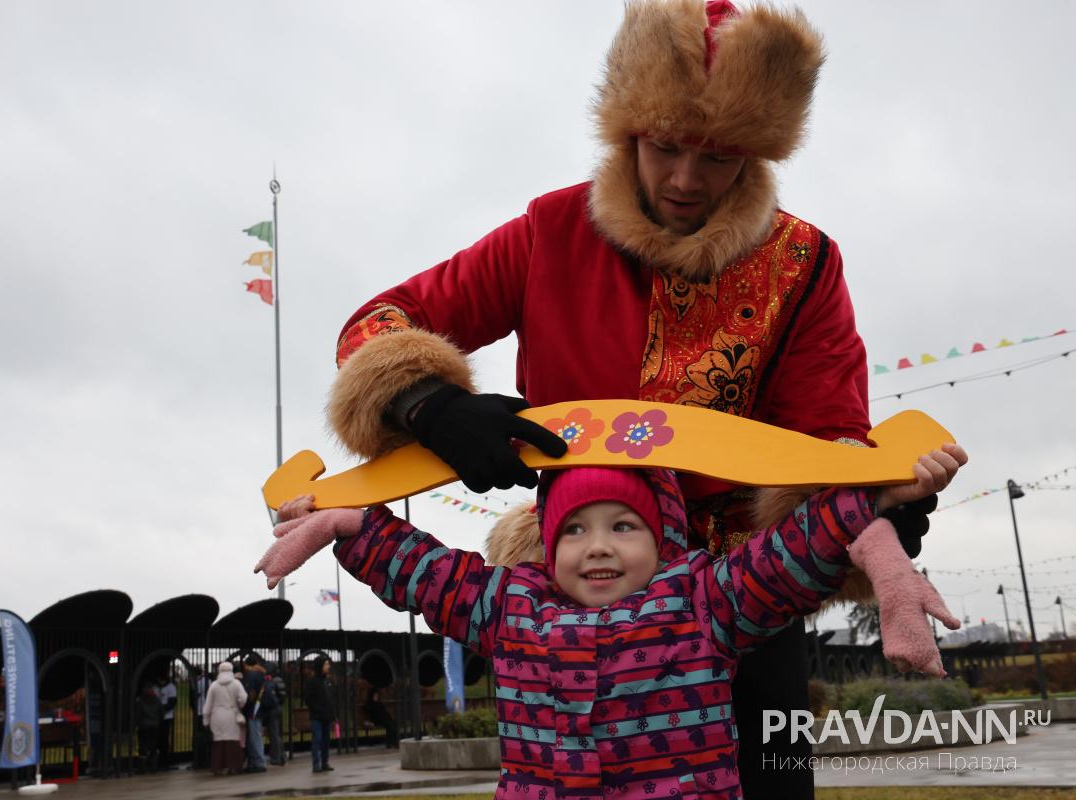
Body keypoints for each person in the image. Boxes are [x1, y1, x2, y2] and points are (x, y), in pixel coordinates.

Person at [322, 4, 919, 795]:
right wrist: (426, 401)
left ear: (758, 152)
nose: (684, 179)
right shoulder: (550, 231)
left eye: (717, 157)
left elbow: (830, 431)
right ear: (628, 131)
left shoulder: (804, 263)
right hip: (573, 593)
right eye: (665, 146)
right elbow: (379, 322)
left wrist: (866, 509)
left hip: (742, 600)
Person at [258, 445, 965, 799]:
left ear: (662, 541)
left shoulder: (703, 603)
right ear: (549, 542)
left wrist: (871, 505)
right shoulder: (510, 608)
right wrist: (349, 523)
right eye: (576, 530)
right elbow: (423, 570)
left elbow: (786, 555)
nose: (597, 546)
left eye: (623, 526)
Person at [201, 662, 246, 776]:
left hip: (217, 716)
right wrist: (239, 705)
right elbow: (243, 698)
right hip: (232, 715)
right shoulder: (237, 683)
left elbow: (208, 704)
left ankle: (218, 767)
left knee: (219, 742)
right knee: (233, 741)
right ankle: (234, 767)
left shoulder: (214, 685)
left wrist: (206, 719)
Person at [303, 657, 336, 774]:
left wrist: (332, 714)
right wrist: (318, 710)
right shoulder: (312, 682)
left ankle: (325, 762)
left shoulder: (326, 681)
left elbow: (330, 699)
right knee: (317, 740)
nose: (329, 666)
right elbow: (308, 699)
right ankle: (316, 764)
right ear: (320, 666)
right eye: (326, 664)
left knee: (326, 741)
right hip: (317, 717)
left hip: (326, 716)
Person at [241, 655, 267, 773]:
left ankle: (259, 762)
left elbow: (251, 693)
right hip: (259, 708)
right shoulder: (261, 674)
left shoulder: (251, 675)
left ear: (247, 665)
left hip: (252, 710)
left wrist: (246, 704)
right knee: (256, 735)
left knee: (254, 737)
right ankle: (256, 761)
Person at [260, 664, 287, 766]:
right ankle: (282, 755)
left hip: (272, 710)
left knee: (274, 734)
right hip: (279, 708)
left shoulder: (270, 681)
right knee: (278, 734)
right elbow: (283, 696)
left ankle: (276, 758)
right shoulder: (279, 680)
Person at [135, 684, 163, 773]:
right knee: (153, 747)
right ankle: (153, 768)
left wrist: (136, 724)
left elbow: (138, 715)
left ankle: (141, 769)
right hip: (155, 726)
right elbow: (161, 713)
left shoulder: (141, 701)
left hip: (143, 727)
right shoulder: (158, 700)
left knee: (143, 747)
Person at [154, 672, 177, 769]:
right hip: (157, 717)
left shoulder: (171, 688)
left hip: (167, 717)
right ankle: (158, 760)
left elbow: (172, 703)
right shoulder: (156, 687)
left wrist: (161, 710)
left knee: (164, 739)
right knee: (158, 739)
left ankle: (164, 760)